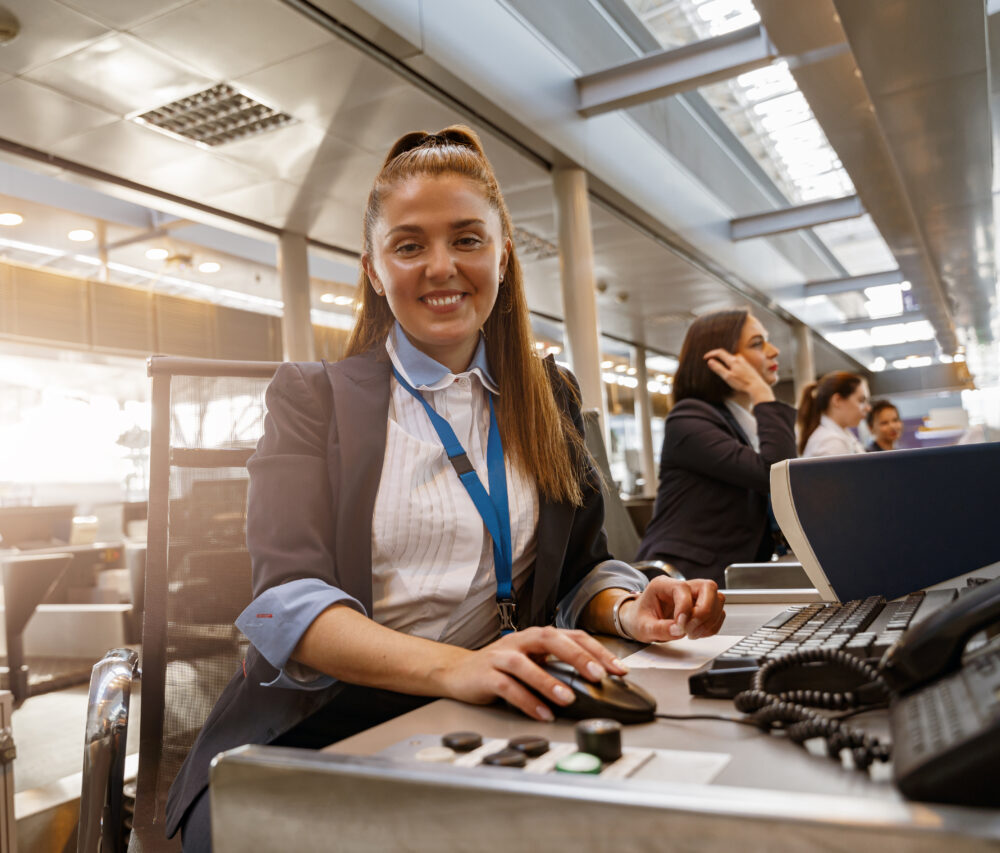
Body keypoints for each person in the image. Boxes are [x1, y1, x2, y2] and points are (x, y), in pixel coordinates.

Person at [166, 127, 726, 852]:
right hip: (315, 728)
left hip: (486, 713)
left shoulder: (548, 394)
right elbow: (288, 604)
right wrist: (461, 667)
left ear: (502, 251)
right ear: (373, 268)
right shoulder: (312, 398)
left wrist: (627, 609)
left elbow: (583, 564)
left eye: (466, 239)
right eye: (409, 245)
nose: (442, 268)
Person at [635, 308, 797, 584]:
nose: (774, 351)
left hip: (734, 576)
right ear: (720, 360)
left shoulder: (743, 424)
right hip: (683, 581)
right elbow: (776, 473)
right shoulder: (688, 419)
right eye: (758, 343)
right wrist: (761, 393)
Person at [798, 371, 870, 457]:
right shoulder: (830, 442)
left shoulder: (840, 435)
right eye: (861, 400)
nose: (868, 408)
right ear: (837, 400)